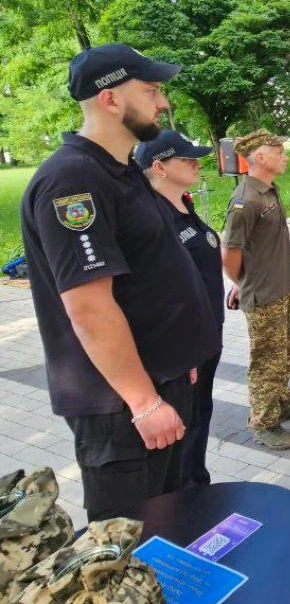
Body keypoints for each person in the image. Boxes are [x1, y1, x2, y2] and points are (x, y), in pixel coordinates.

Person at [19, 44, 221, 521]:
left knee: (173, 528)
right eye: (150, 90)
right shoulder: (72, 180)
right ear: (110, 99)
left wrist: (180, 359)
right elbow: (89, 308)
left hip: (162, 384)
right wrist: (145, 401)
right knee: (129, 546)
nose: (162, 102)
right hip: (123, 410)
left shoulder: (123, 170)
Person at [135, 130, 224, 485]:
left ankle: (197, 487)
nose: (195, 162)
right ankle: (186, 499)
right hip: (183, 351)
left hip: (206, 339)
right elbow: (156, 292)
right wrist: (182, 348)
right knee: (184, 432)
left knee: (200, 419)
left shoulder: (183, 206)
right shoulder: (155, 218)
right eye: (186, 158)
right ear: (158, 166)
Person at [222, 129, 290, 450]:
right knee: (266, 359)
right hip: (262, 295)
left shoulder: (267, 190)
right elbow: (229, 254)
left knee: (286, 352)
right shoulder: (245, 199)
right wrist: (242, 283)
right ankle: (263, 422)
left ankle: (281, 401)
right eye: (278, 152)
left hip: (281, 287)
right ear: (260, 158)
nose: (284, 156)